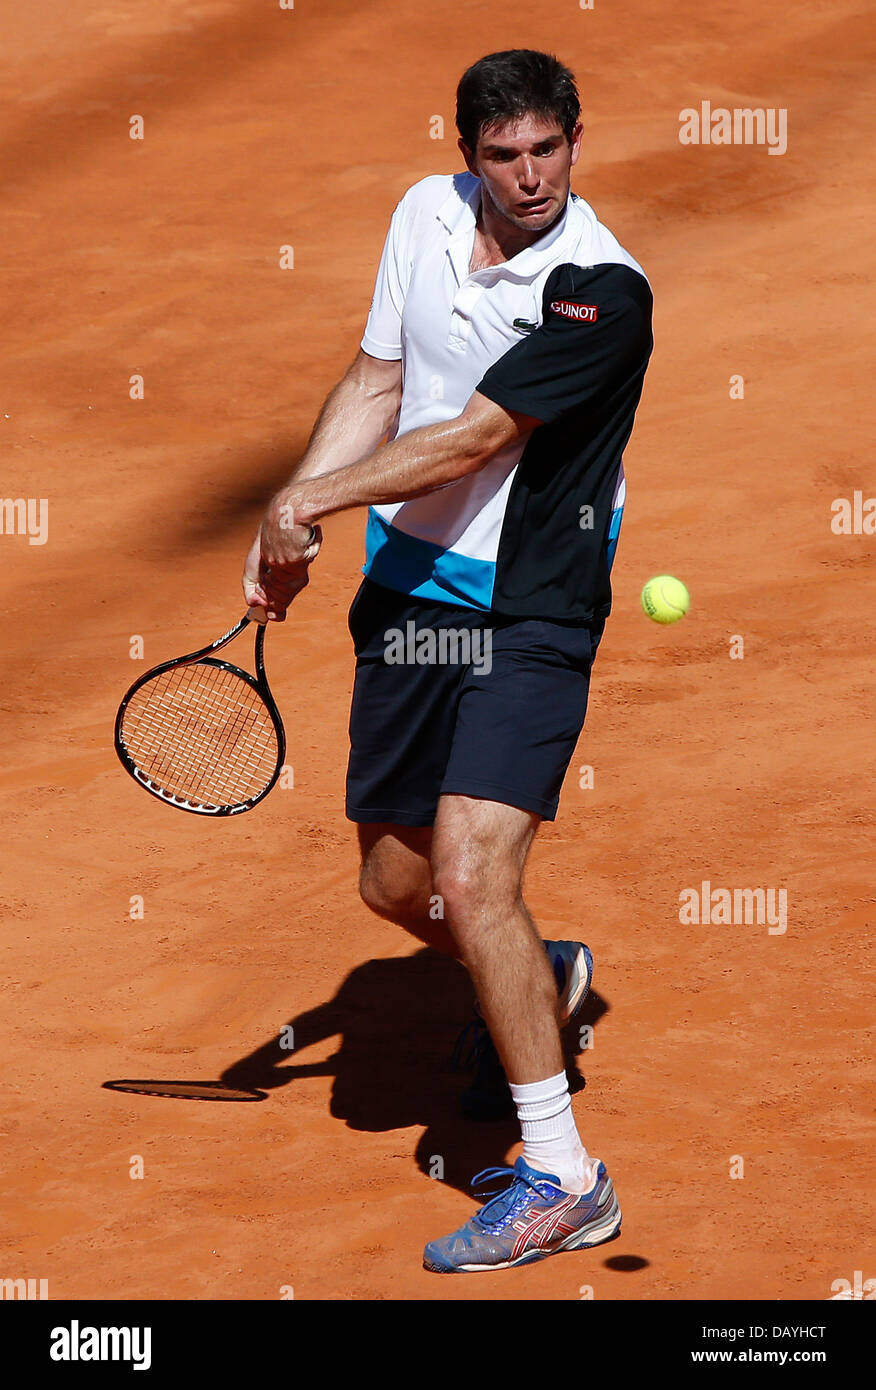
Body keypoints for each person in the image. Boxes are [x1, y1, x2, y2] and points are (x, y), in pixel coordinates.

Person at [242, 48, 653, 1272]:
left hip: (532, 600)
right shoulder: (423, 214)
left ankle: (563, 1175)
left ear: (578, 140)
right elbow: (379, 378)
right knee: (394, 883)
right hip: (411, 592)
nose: (529, 177)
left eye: (548, 150)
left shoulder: (599, 288)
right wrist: (302, 509)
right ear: (465, 153)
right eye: (503, 155)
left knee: (475, 871)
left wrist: (302, 501)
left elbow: (479, 434)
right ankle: (542, 967)